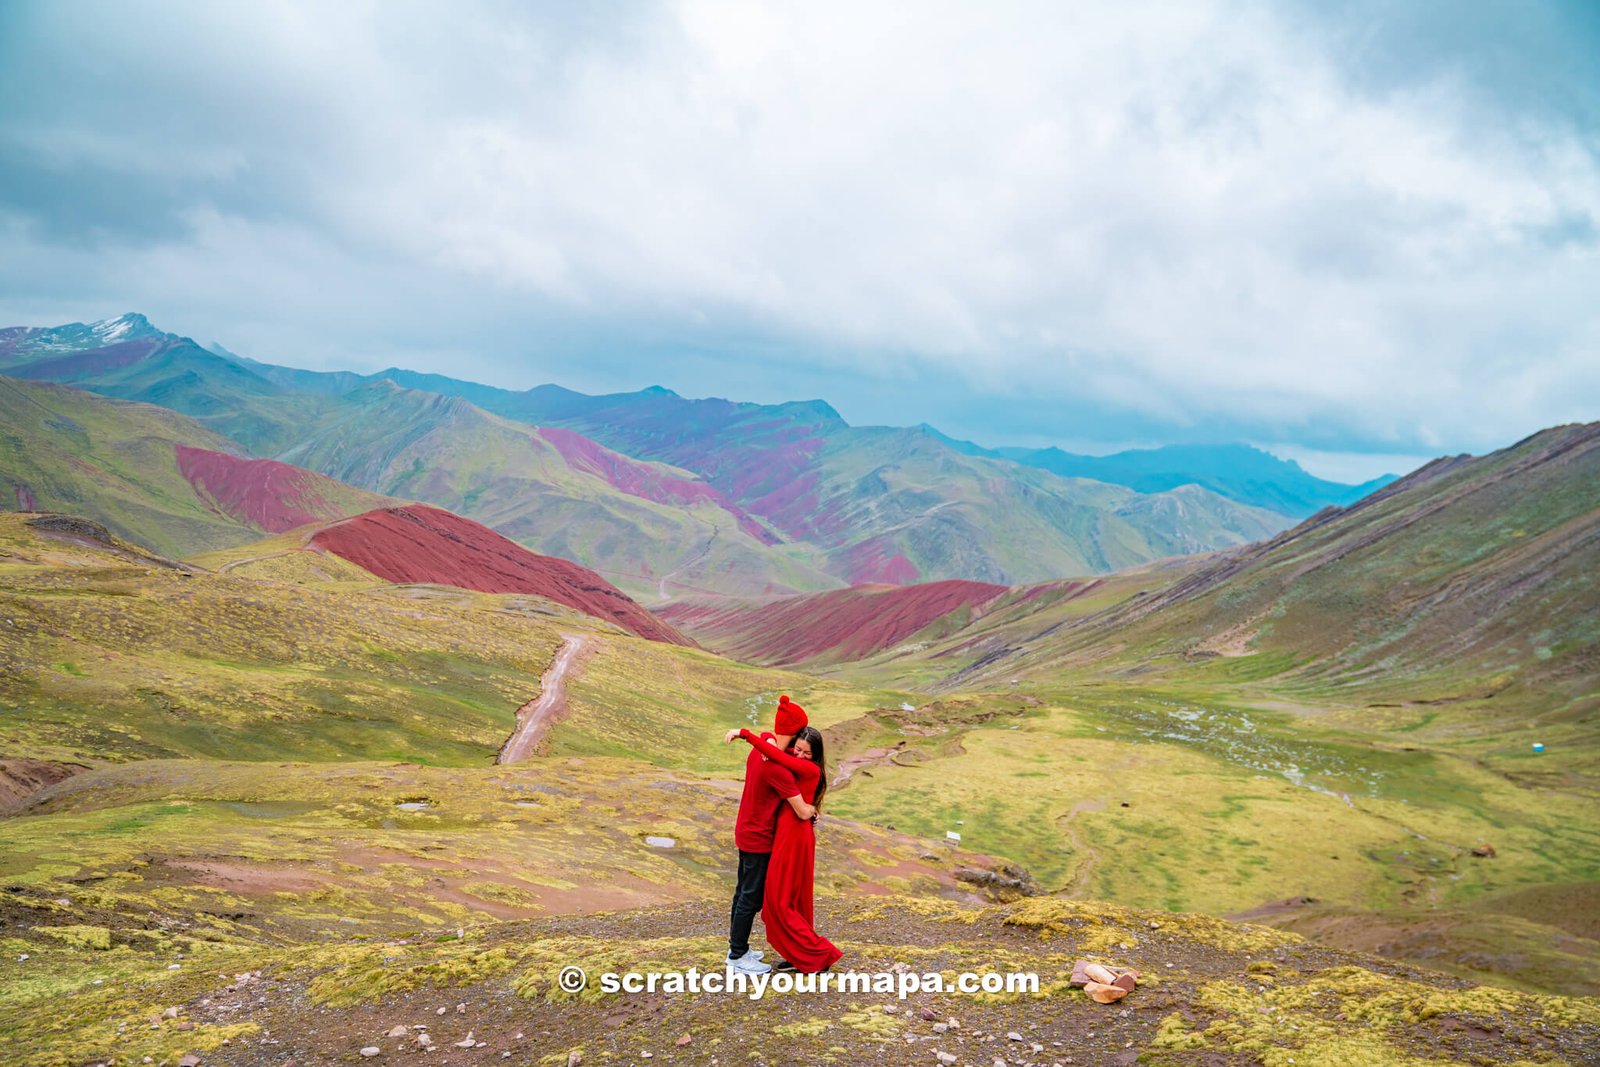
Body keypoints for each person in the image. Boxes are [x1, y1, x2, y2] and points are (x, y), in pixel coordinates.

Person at [726, 706, 842, 973]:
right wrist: (811, 811)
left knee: (749, 894)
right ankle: (737, 954)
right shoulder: (778, 767)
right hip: (763, 838)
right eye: (798, 745)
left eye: (806, 752)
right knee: (752, 898)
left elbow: (772, 743)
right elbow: (802, 809)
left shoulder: (762, 752)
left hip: (752, 833)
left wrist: (756, 736)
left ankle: (739, 948)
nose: (799, 754)